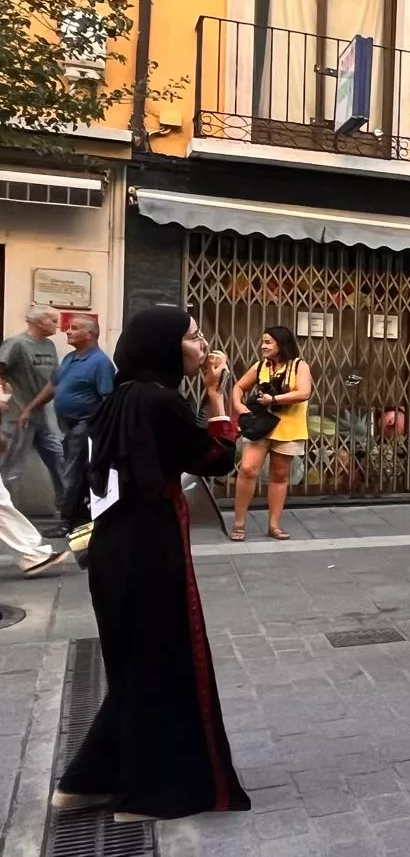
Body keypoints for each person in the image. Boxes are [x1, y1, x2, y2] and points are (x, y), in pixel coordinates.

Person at [53, 306, 250, 821]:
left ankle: (86, 780)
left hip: (112, 551)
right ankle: (153, 792)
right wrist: (218, 398)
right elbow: (216, 457)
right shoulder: (160, 401)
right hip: (150, 548)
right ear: (165, 346)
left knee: (134, 667)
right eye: (192, 337)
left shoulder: (121, 397)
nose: (203, 345)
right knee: (166, 663)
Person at [18, 314, 114, 532]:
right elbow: (52, 386)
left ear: (90, 334)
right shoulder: (70, 358)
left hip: (86, 426)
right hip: (67, 427)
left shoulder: (100, 362)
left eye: (74, 328)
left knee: (71, 472)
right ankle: (78, 519)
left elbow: (108, 398)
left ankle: (66, 521)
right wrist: (29, 409)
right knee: (76, 472)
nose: (67, 331)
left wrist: (101, 431)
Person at [229, 326, 312, 542]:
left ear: (281, 344)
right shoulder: (260, 366)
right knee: (247, 468)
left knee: (279, 475)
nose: (263, 346)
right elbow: (238, 386)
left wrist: (274, 400)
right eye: (263, 342)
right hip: (261, 426)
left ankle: (274, 525)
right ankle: (239, 523)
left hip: (289, 427)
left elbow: (304, 392)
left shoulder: (299, 366)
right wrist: (239, 406)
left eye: (268, 342)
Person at [0, 305, 67, 534]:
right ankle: (10, 524)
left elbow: (53, 380)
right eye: (52, 320)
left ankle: (66, 514)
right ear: (38, 322)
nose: (56, 325)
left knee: (59, 461)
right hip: (17, 416)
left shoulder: (49, 345)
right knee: (11, 469)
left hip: (42, 416)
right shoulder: (17, 344)